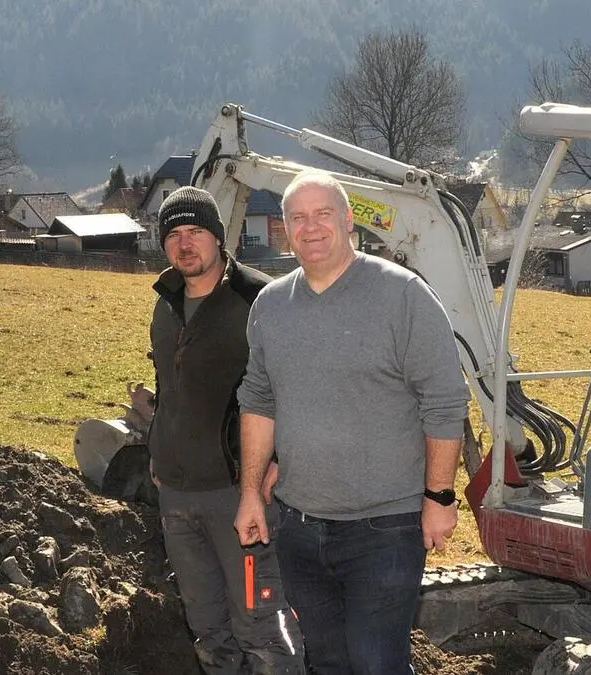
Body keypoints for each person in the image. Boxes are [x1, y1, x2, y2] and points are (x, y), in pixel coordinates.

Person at [233, 171, 469, 674]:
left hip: (385, 527)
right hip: (299, 526)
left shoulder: (402, 295)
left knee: (376, 663)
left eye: (323, 214)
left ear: (348, 220)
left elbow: (445, 402)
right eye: (298, 217)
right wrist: (251, 493)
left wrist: (440, 496)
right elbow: (258, 400)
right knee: (327, 661)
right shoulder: (270, 306)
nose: (311, 227)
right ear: (285, 229)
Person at [146, 186, 304, 674]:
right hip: (177, 496)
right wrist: (157, 451)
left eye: (195, 231)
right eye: (173, 234)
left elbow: (298, 387)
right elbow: (169, 385)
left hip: (240, 495)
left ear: (218, 236)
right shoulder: (166, 301)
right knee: (208, 630)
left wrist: (281, 462)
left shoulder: (259, 299)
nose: (184, 243)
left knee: (261, 628)